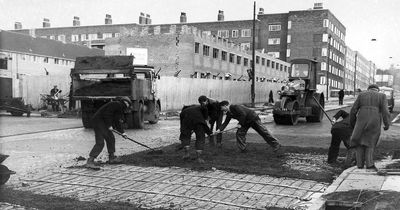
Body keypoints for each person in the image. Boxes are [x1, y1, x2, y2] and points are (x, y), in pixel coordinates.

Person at [349, 84, 390, 170]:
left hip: (361, 119)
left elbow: (353, 110)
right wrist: (387, 124)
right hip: (374, 119)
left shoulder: (361, 95)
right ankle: (369, 164)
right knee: (371, 141)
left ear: (368, 89)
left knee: (359, 141)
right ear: (377, 89)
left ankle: (359, 165)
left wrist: (353, 123)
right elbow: (385, 111)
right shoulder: (382, 96)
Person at [217, 101, 281, 153]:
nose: (221, 109)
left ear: (225, 106)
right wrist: (219, 129)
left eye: (221, 107)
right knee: (240, 133)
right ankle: (242, 149)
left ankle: (276, 144)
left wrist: (240, 124)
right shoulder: (229, 113)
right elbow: (225, 122)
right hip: (245, 122)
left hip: (253, 118)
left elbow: (243, 114)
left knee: (263, 132)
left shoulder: (235, 107)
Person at [85, 97, 131, 169]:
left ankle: (111, 158)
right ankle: (90, 161)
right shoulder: (117, 105)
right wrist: (109, 125)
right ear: (126, 103)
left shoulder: (119, 107)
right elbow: (107, 114)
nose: (128, 106)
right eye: (128, 104)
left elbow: (117, 121)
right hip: (99, 122)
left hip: (103, 122)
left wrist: (123, 133)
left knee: (110, 138)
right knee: (100, 142)